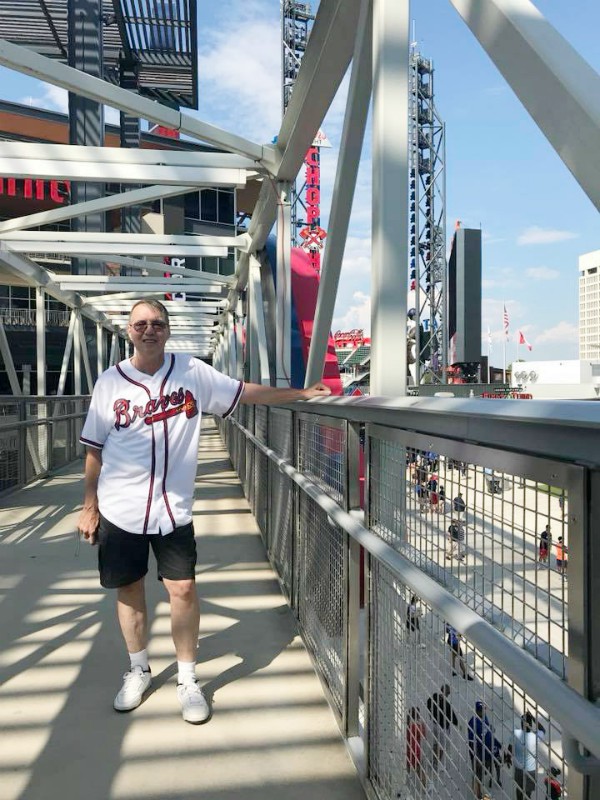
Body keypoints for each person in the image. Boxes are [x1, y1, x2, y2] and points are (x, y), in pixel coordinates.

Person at [77, 299, 331, 724]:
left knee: (184, 590)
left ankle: (188, 678)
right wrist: (89, 506)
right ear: (129, 331)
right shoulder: (110, 382)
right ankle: (138, 668)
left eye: (157, 323)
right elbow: (94, 449)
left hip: (172, 510)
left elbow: (241, 391)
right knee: (130, 589)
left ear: (168, 330)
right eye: (141, 324)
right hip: (120, 509)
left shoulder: (192, 372)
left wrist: (300, 393)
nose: (149, 330)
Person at [507, 710, 546, 800]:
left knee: (519, 788)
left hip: (519, 769)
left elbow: (510, 748)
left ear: (521, 724)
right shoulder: (535, 737)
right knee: (528, 792)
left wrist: (508, 758)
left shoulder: (515, 733)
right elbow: (543, 729)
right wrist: (533, 718)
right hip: (530, 770)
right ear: (531, 725)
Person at [426, 683, 460, 768]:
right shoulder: (447, 705)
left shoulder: (434, 697)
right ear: (447, 693)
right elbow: (453, 719)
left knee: (436, 743)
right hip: (443, 728)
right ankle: (436, 763)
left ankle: (433, 759)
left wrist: (431, 713)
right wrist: (457, 724)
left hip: (434, 724)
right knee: (441, 746)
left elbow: (428, 703)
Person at [468, 700, 495, 799]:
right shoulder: (473, 723)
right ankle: (478, 795)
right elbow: (471, 743)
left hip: (487, 753)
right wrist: (476, 758)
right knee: (477, 776)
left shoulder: (484, 717)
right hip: (478, 755)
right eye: (482, 710)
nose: (484, 712)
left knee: (482, 774)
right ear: (477, 711)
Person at [406, 706, 428, 789]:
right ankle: (425, 786)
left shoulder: (408, 724)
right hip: (415, 750)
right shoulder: (417, 726)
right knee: (419, 769)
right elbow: (424, 735)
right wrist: (423, 725)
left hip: (408, 749)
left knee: (408, 767)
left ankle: (406, 784)